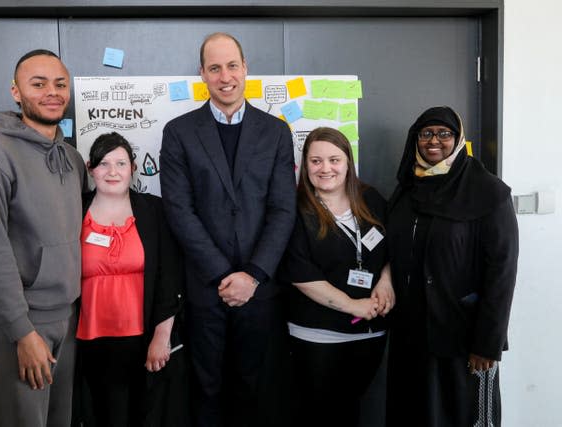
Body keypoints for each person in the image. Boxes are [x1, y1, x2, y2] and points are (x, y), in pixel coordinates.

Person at [160, 32, 297, 427]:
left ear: (245, 68)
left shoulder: (275, 132)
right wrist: (225, 276)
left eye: (232, 65)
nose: (225, 76)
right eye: (215, 67)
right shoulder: (179, 132)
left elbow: (283, 210)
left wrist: (252, 275)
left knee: (256, 391)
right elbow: (180, 211)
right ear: (202, 73)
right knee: (206, 391)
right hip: (206, 290)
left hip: (261, 291)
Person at [0, 49, 86, 427]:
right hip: (20, 322)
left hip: (65, 317)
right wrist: (22, 332)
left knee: (58, 420)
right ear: (16, 92)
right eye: (39, 83)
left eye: (60, 84)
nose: (52, 92)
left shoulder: (71, 158)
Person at [386, 106, 519, 426]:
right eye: (426, 133)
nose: (434, 141)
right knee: (416, 412)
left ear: (458, 139)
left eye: (444, 133)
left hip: (464, 338)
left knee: (463, 415)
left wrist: (488, 343)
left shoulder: (488, 192)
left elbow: (502, 271)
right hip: (412, 333)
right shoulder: (407, 188)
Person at [280, 127, 395, 427]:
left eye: (334, 159)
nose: (326, 168)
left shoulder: (372, 199)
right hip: (318, 335)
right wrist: (351, 305)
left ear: (348, 162)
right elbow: (299, 272)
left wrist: (386, 281)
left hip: (370, 332)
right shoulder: (294, 209)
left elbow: (395, 250)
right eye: (316, 161)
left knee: (351, 410)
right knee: (320, 415)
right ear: (305, 165)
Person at [76, 132, 185, 427]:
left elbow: (169, 277)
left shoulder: (154, 211)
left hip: (143, 337)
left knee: (143, 414)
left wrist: (162, 337)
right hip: (88, 341)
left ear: (133, 168)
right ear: (90, 168)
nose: (113, 172)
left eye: (121, 163)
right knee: (97, 414)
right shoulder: (74, 210)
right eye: (104, 164)